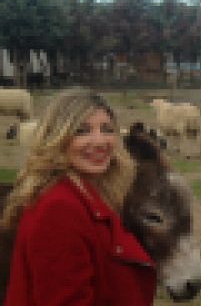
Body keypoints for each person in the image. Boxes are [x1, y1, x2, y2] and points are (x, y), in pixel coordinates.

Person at [1, 88, 156, 305]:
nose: (100, 141)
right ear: (57, 138)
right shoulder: (58, 210)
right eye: (82, 131)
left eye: (107, 129)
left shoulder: (93, 194)